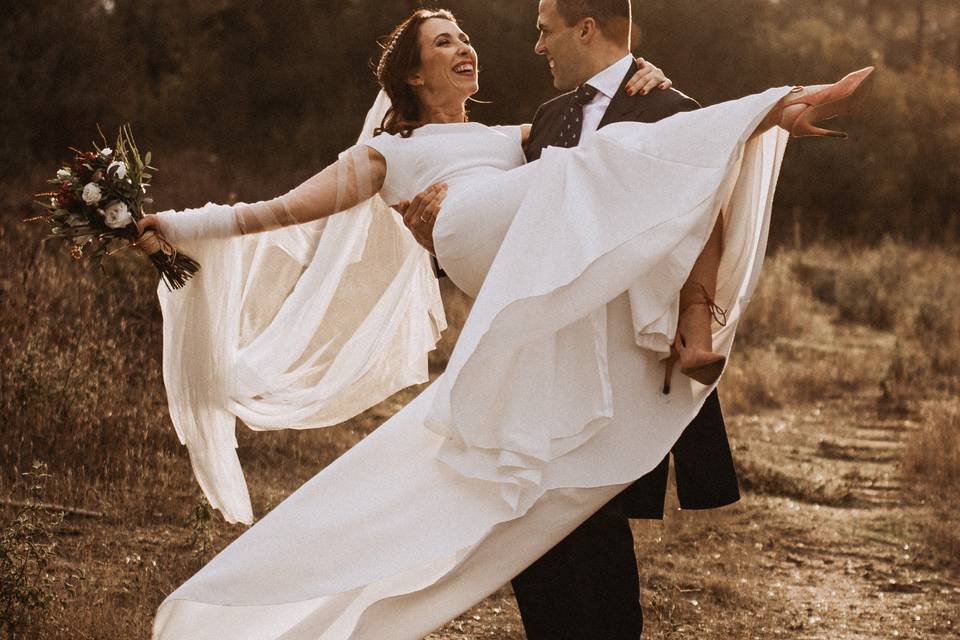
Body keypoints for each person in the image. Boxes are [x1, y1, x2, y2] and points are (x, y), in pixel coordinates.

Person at [142, 6, 873, 639]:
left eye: (465, 36)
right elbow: (280, 208)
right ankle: (774, 106)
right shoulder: (387, 151)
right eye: (443, 42)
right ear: (413, 78)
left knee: (606, 167)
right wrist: (178, 224)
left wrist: (638, 76)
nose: (466, 47)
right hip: (472, 225)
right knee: (592, 169)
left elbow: (615, 144)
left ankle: (755, 150)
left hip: (526, 253)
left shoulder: (521, 136)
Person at [393, 1, 736, 636]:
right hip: (551, 364)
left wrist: (696, 316)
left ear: (586, 28)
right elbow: (514, 235)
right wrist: (435, 241)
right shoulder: (548, 121)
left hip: (625, 360)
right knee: (537, 532)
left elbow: (704, 214)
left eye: (545, 31)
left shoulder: (668, 108)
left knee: (594, 533)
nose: (535, 46)